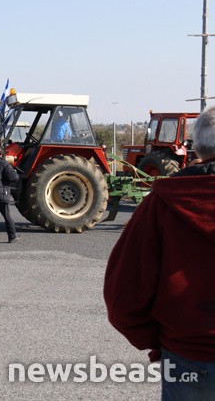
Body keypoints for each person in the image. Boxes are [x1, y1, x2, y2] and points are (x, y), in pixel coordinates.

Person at [104, 106, 215, 399]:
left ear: (197, 147)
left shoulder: (161, 204)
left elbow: (123, 295)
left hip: (188, 356)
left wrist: (161, 341)